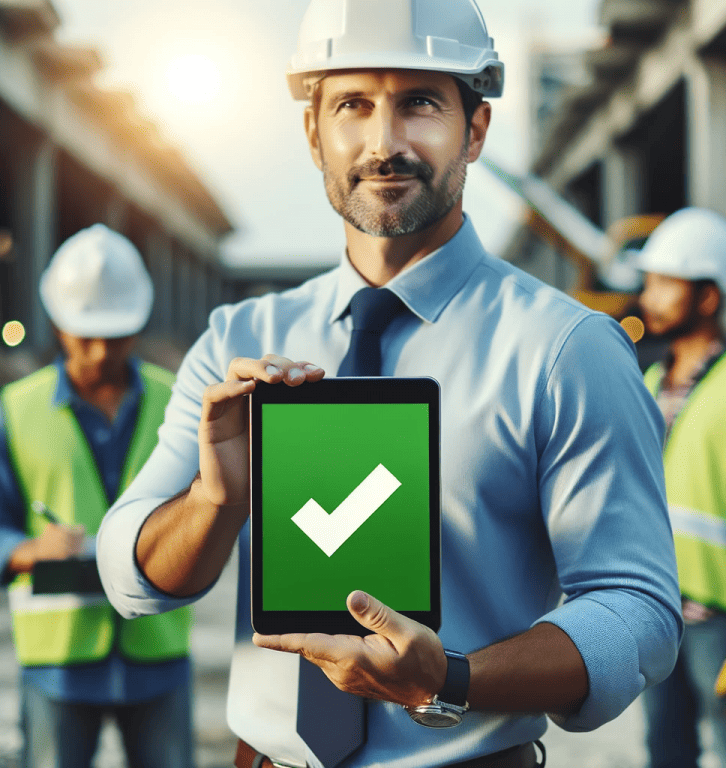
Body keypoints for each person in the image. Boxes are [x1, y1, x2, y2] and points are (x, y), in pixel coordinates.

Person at [96, 2, 683, 767]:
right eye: (352, 105)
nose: (384, 143)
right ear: (314, 133)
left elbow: (638, 613)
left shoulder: (567, 349)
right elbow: (131, 576)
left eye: (420, 103)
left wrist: (453, 679)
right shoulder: (239, 341)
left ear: (475, 129)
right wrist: (215, 502)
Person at [0, 224, 195, 768]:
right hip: (58, 660)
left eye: (116, 334)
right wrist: (26, 550)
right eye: (86, 335)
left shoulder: (179, 401)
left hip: (157, 649)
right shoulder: (15, 409)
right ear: (59, 324)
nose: (100, 350)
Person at [636, 207, 726, 768]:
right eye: (649, 280)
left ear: (709, 298)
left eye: (667, 283)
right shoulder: (645, 382)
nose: (649, 296)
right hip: (655, 614)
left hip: (722, 622)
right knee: (664, 753)